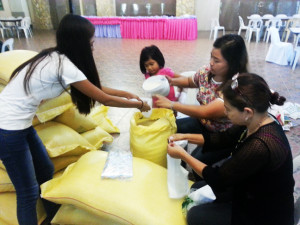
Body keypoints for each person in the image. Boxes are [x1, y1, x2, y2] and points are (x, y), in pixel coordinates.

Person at [0, 14, 150, 225]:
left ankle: (54, 217)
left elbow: (93, 87)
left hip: (20, 125)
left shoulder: (57, 58)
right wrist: (140, 105)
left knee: (45, 169)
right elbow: (103, 98)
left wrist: (126, 93)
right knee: (28, 192)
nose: (93, 46)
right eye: (90, 43)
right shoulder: (62, 65)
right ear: (78, 43)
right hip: (8, 129)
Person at [168, 73, 295, 225]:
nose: (225, 114)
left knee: (194, 215)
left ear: (247, 112)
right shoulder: (257, 120)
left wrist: (183, 155)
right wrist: (185, 137)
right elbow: (223, 138)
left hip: (264, 213)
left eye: (227, 109)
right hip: (250, 189)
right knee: (197, 187)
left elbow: (219, 179)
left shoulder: (260, 145)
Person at [155, 34, 249, 165]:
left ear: (233, 64)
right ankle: (180, 154)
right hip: (203, 123)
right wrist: (172, 81)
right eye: (211, 57)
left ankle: (220, 158)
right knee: (172, 127)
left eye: (216, 60)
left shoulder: (235, 86)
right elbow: (190, 81)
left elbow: (205, 112)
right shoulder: (206, 72)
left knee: (196, 161)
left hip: (221, 135)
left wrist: (171, 104)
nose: (211, 62)